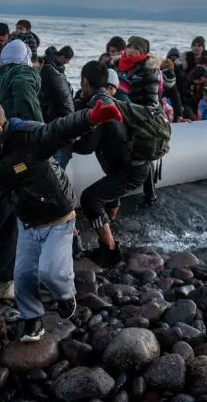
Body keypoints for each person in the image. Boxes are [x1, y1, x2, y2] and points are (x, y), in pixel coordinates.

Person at [0, 93, 124, 342]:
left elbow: (58, 129)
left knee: (51, 272)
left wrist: (91, 117)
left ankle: (66, 296)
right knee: (23, 276)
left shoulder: (29, 137)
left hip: (58, 216)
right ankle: (32, 320)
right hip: (28, 220)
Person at [72, 61, 156, 267]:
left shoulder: (98, 105)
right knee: (109, 197)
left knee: (90, 198)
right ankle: (109, 236)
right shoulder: (110, 99)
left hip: (130, 170)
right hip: (131, 165)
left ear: (85, 81)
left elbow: (87, 147)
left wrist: (66, 144)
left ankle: (111, 250)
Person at [0, 39, 43, 122]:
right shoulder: (24, 71)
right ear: (26, 56)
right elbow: (23, 84)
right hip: (11, 129)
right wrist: (39, 129)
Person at [115, 36, 162, 108]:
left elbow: (151, 102)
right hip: (118, 106)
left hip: (137, 112)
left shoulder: (149, 69)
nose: (131, 51)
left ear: (142, 52)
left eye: (136, 48)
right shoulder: (117, 65)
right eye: (129, 47)